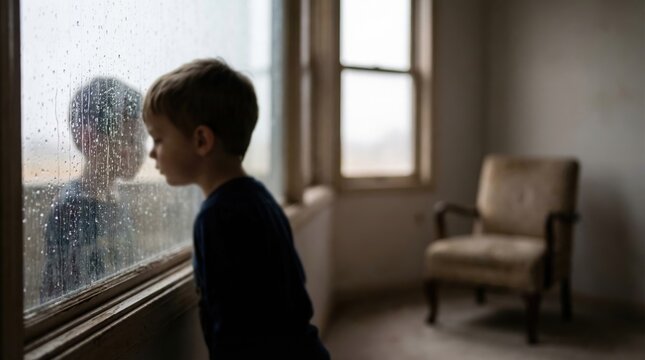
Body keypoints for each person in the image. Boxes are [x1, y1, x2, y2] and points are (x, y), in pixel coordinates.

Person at [142, 58, 330, 359]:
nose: (152, 152)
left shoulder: (216, 217)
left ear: (202, 140)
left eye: (158, 139)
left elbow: (233, 329)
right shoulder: (261, 198)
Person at [40, 77, 147, 302]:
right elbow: (59, 295)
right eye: (128, 140)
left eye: (142, 140)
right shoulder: (71, 207)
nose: (140, 152)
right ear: (89, 139)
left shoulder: (117, 199)